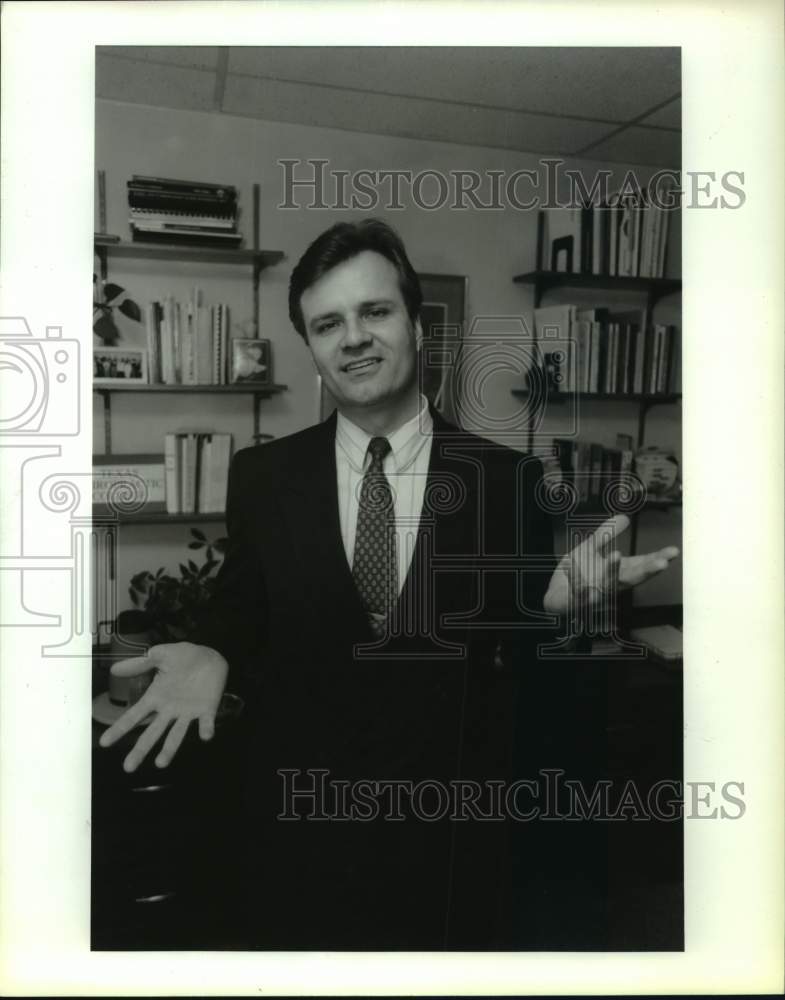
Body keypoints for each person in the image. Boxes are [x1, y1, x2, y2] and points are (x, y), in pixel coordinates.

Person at [100, 219, 679, 949]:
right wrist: (212, 648)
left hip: (447, 841)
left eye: (374, 311)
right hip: (300, 830)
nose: (353, 338)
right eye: (327, 323)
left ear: (415, 325)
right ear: (311, 349)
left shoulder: (506, 479)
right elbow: (243, 606)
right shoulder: (264, 477)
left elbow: (518, 654)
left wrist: (560, 609)